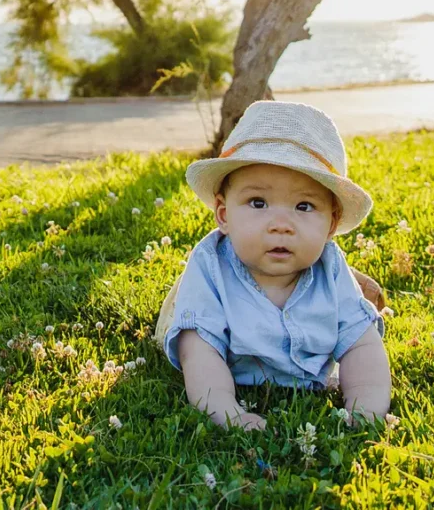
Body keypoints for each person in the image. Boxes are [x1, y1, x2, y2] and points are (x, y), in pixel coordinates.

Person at [156, 100, 393, 429]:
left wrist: (365, 406)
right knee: (187, 327)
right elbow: (198, 350)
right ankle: (179, 296)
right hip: (204, 307)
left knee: (358, 317)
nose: (280, 224)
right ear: (224, 215)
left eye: (304, 206)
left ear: (331, 223)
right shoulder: (211, 266)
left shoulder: (330, 265)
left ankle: (356, 289)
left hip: (323, 285)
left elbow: (361, 343)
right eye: (258, 203)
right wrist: (226, 410)